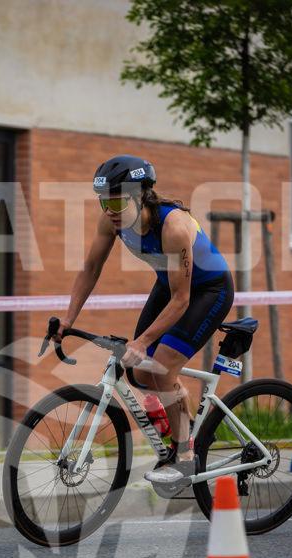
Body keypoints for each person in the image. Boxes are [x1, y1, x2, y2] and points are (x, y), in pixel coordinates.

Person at [53, 154, 234, 486]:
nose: (110, 210)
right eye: (104, 202)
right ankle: (180, 420)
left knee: (162, 366)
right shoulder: (112, 221)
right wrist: (67, 318)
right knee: (138, 371)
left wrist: (143, 341)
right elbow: (91, 268)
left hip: (208, 290)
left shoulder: (173, 227)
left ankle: (186, 456)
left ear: (140, 196)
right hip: (169, 285)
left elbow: (182, 300)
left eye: (117, 202)